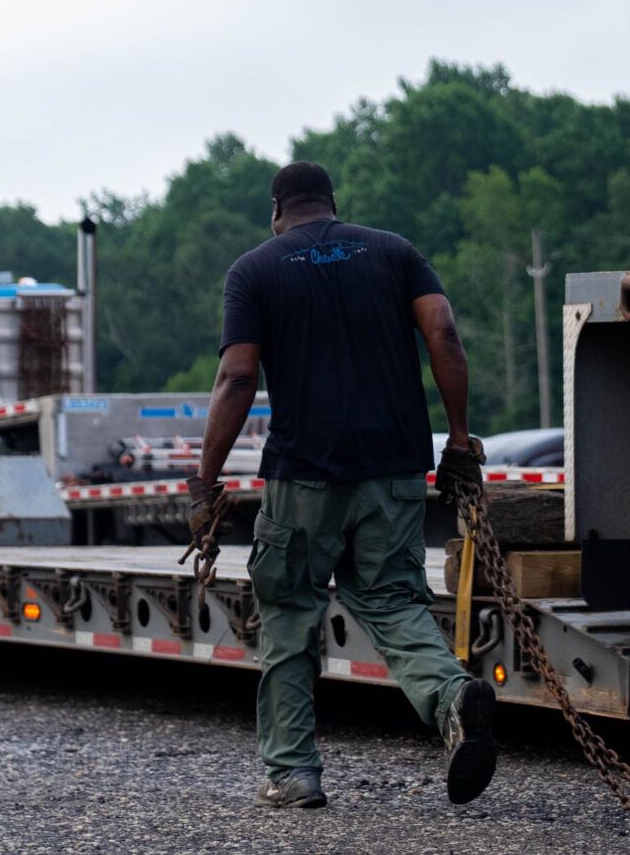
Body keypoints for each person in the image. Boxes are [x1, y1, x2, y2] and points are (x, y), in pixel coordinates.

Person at [186, 160, 494, 809]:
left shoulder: (255, 270)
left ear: (276, 211)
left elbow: (238, 378)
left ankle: (294, 773)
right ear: (332, 203)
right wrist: (459, 440)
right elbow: (443, 332)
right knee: (391, 601)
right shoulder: (393, 251)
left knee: (292, 613)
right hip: (395, 469)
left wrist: (205, 480)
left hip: (305, 476)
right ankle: (450, 699)